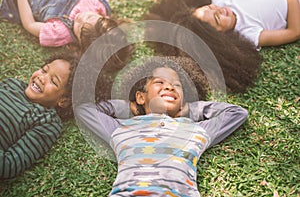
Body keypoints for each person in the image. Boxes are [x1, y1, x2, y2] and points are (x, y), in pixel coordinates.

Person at [74, 58, 248, 196]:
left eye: (177, 85)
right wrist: (129, 107)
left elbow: (236, 113)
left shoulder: (195, 130)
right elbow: (85, 111)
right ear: (141, 97)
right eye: (159, 82)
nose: (169, 86)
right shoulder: (121, 128)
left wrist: (190, 109)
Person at [0, 52, 79, 179]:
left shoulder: (47, 122)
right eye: (44, 70)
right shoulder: (12, 84)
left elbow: (10, 164)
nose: (42, 78)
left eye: (53, 81)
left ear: (63, 100)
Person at [146, 0, 300, 49]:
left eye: (211, 8)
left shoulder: (220, 1)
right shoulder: (248, 34)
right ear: (220, 36)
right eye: (218, 19)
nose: (220, 10)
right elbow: (294, 32)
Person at [0, 0, 122, 53]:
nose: (80, 17)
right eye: (90, 16)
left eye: (79, 27)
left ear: (80, 43)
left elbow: (30, 24)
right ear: (104, 17)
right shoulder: (99, 4)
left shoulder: (60, 32)